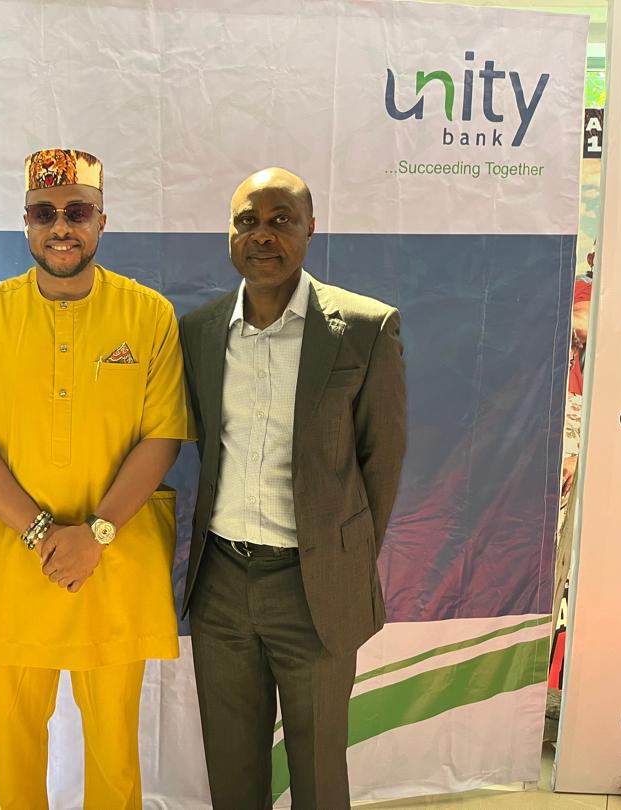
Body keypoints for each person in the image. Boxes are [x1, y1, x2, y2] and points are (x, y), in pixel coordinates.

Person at [0, 148, 193, 810]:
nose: (61, 227)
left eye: (77, 211)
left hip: (115, 565)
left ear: (102, 221)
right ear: (26, 223)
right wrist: (45, 533)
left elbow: (162, 436)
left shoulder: (148, 315)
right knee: (15, 758)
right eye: (44, 213)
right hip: (14, 569)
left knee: (115, 759)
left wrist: (95, 534)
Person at [179, 167, 406, 809]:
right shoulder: (199, 331)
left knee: (318, 777)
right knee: (232, 774)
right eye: (247, 221)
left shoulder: (364, 327)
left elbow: (382, 460)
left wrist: (341, 560)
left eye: (281, 220)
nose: (263, 235)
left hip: (314, 589)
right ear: (230, 234)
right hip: (221, 583)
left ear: (311, 228)